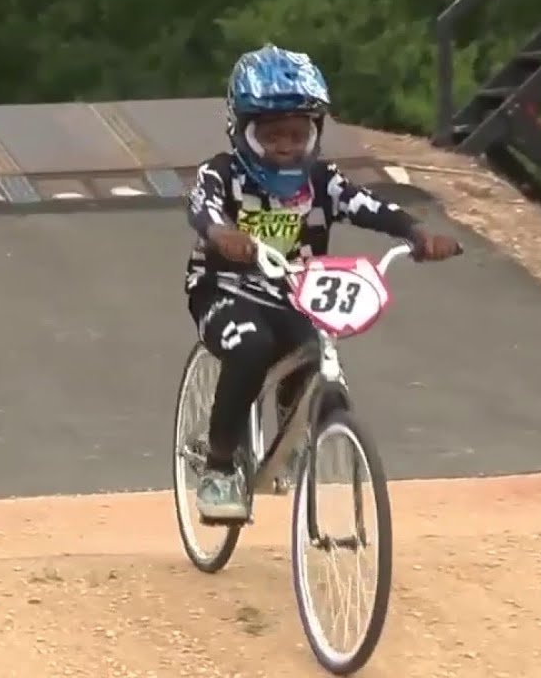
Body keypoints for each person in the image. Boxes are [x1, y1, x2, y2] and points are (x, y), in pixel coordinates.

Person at [184, 44, 461, 521]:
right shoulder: (222, 175)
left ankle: (292, 440)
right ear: (242, 132)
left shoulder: (321, 180)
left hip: (294, 290)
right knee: (250, 349)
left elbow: (367, 205)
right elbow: (202, 208)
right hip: (225, 288)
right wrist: (222, 234)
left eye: (298, 133)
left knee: (312, 346)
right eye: (272, 136)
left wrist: (415, 233)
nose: (287, 146)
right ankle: (219, 466)